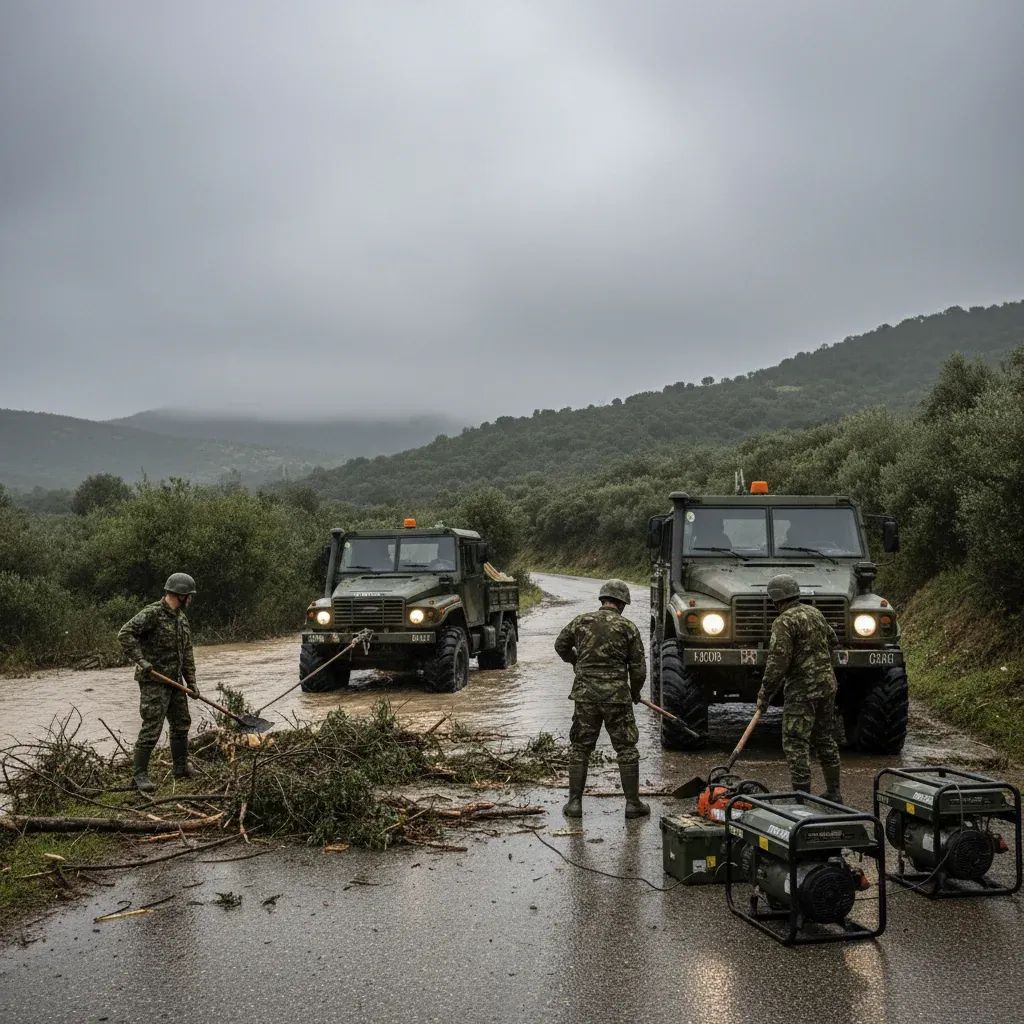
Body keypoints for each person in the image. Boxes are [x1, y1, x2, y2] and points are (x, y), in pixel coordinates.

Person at [554, 579, 649, 819]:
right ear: (622, 603)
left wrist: (575, 660)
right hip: (617, 697)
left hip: (585, 696)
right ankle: (632, 804)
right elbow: (638, 668)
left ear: (603, 600)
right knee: (626, 748)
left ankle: (574, 804)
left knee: (580, 748)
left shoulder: (581, 621)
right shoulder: (628, 627)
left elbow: (560, 645)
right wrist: (635, 692)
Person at [755, 574, 843, 802]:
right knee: (825, 738)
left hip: (802, 691)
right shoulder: (815, 613)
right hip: (827, 686)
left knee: (796, 741)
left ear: (776, 600)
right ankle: (834, 792)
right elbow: (834, 641)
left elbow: (778, 662)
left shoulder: (783, 621)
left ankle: (802, 798)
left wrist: (764, 694)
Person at [117, 573, 199, 792]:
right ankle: (139, 776)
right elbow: (125, 634)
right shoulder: (152, 614)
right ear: (180, 595)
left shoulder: (181, 618)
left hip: (175, 682)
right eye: (189, 596)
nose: (191, 599)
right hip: (154, 682)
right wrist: (141, 660)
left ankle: (181, 767)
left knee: (182, 723)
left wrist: (191, 683)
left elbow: (187, 653)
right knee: (152, 727)